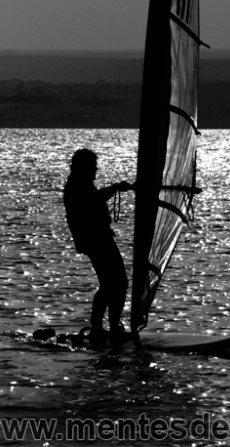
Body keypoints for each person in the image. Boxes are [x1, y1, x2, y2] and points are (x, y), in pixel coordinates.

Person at [63, 148, 134, 345]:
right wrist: (114, 188)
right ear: (83, 168)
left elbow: (95, 197)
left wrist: (116, 187)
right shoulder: (76, 186)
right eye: (93, 167)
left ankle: (101, 328)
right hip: (96, 241)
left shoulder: (82, 184)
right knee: (118, 283)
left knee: (111, 284)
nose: (96, 171)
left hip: (98, 239)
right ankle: (109, 330)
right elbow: (93, 200)